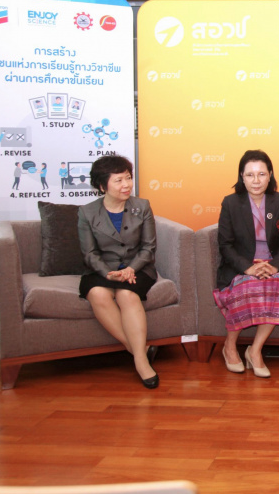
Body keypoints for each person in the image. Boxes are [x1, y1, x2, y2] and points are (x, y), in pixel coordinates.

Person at [213, 150, 279, 377]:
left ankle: (255, 350)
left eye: (261, 174)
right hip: (242, 265)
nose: (256, 180)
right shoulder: (231, 203)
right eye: (250, 175)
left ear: (270, 175)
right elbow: (225, 245)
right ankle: (229, 346)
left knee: (278, 282)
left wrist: (274, 266)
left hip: (274, 263)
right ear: (241, 177)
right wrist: (248, 268)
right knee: (248, 284)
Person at [77, 155, 159, 389]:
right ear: (102, 186)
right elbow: (89, 253)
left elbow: (148, 247)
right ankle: (140, 352)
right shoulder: (87, 213)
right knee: (98, 293)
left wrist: (131, 268)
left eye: (128, 178)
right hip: (103, 268)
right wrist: (108, 273)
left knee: (126, 294)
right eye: (119, 180)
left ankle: (140, 361)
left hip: (138, 267)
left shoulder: (142, 206)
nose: (126, 185)